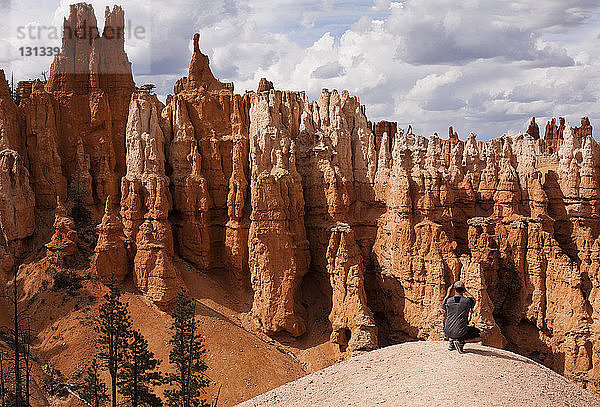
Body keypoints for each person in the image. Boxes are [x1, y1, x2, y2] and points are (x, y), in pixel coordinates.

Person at [442, 281, 481, 353]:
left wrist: (448, 293)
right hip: (460, 331)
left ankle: (452, 342)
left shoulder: (448, 301)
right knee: (481, 335)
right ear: (463, 289)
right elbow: (473, 300)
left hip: (447, 331)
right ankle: (461, 342)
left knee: (454, 328)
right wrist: (465, 291)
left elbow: (443, 305)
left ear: (454, 289)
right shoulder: (467, 301)